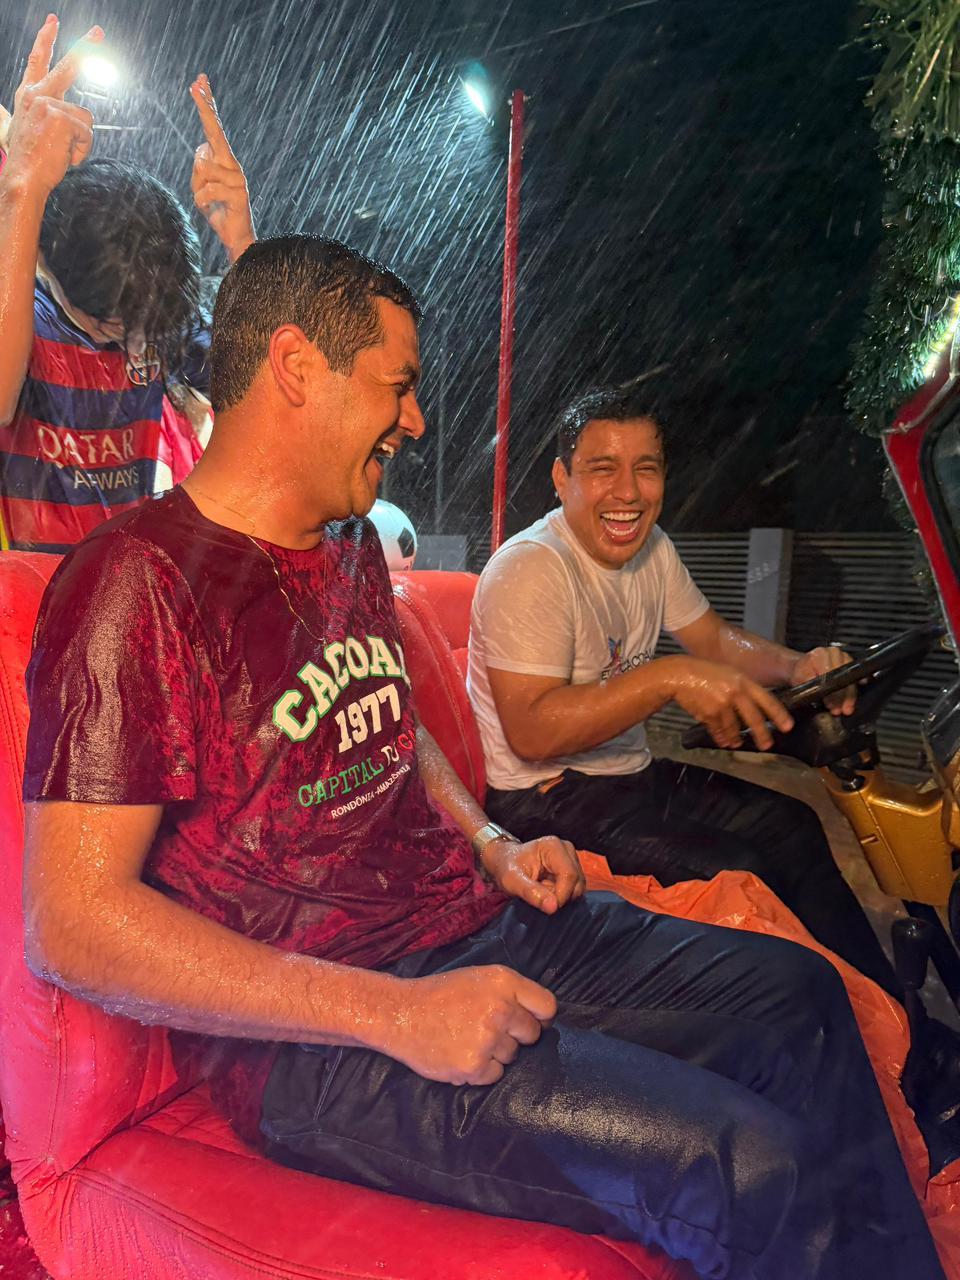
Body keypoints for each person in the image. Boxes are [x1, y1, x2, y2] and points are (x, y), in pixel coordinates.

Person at [21, 235, 943, 1280]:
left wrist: (491, 837)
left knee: (801, 1000)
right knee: (748, 1163)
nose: (416, 419)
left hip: (474, 923)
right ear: (295, 366)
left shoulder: (347, 545)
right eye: (398, 385)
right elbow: (72, 924)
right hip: (321, 1043)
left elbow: (385, 719)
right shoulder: (135, 580)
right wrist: (393, 1013)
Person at [468, 383, 900, 996]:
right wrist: (668, 677)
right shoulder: (531, 567)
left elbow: (715, 640)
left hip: (629, 776)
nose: (627, 492)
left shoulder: (654, 551)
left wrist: (798, 666)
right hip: (543, 798)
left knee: (793, 824)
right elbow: (532, 733)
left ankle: (889, 1014)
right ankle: (806, 1016)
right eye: (603, 469)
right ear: (562, 479)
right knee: (740, 873)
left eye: (645, 469)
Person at [0, 17, 253, 551]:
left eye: (140, 329)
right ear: (46, 262)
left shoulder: (157, 318)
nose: (131, 340)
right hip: (30, 586)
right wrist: (23, 185)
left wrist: (241, 242)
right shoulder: (27, 313)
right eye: (109, 326)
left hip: (122, 582)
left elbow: (260, 397)